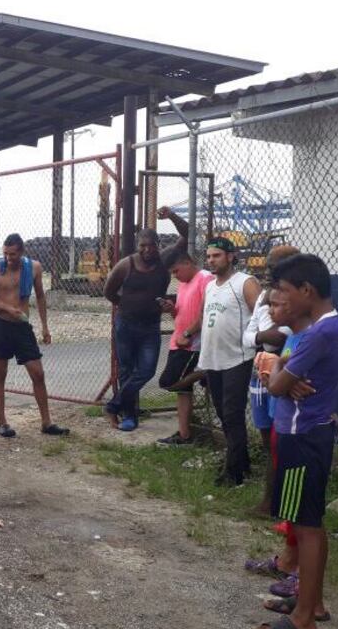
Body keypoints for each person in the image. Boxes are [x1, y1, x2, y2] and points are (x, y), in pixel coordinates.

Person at [252, 254, 338, 629]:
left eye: (286, 294)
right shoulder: (330, 328)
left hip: (301, 437)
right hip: (311, 434)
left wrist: (276, 367)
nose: (281, 302)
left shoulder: (316, 334)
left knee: (305, 528)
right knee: (309, 524)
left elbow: (275, 380)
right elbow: (284, 370)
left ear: (307, 291)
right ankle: (314, 604)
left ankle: (304, 619)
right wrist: (283, 368)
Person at [103, 207, 189, 431]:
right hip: (126, 325)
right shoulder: (126, 265)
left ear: (158, 245)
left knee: (147, 370)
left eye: (151, 245)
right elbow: (108, 291)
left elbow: (188, 233)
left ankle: (113, 406)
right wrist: (126, 304)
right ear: (137, 246)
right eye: (142, 245)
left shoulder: (164, 260)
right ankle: (129, 416)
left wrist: (171, 216)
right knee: (126, 371)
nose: (147, 250)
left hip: (150, 326)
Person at [0, 233, 65, 438]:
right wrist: (8, 310)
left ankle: (46, 422)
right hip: (1, 326)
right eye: (6, 254)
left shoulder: (33, 268)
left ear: (22, 252)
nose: (9, 258)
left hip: (23, 328)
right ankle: (2, 423)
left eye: (13, 254)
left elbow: (41, 297)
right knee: (0, 374)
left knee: (38, 373)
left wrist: (45, 327)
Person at [199, 236, 261, 487]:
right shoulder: (210, 286)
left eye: (217, 256)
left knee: (233, 414)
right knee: (224, 415)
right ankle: (242, 462)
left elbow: (261, 315)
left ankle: (233, 473)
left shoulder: (244, 282)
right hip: (213, 358)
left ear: (230, 256)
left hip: (238, 357)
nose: (211, 260)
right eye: (209, 256)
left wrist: (257, 344)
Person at [244, 245, 300, 513]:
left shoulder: (300, 297)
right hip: (261, 370)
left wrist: (265, 336)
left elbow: (286, 335)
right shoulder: (265, 296)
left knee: (281, 440)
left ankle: (276, 502)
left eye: (273, 268)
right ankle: (270, 499)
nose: (267, 272)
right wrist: (263, 336)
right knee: (267, 439)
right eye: (267, 267)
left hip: (282, 370)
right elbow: (250, 335)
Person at [156, 247, 212, 445]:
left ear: (187, 262)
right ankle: (184, 434)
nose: (175, 276)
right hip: (179, 341)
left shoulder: (205, 279)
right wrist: (172, 309)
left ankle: (205, 373)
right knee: (183, 389)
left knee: (168, 381)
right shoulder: (184, 284)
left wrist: (188, 333)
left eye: (176, 271)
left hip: (192, 344)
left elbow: (207, 313)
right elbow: (182, 313)